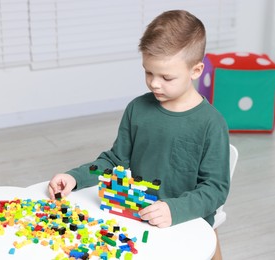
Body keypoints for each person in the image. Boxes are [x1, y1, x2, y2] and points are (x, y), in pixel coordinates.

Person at [48, 10, 230, 260]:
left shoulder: (211, 123)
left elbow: (215, 189)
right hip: (137, 216)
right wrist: (75, 177)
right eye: (148, 72)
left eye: (166, 77)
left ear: (196, 70)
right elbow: (113, 162)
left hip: (184, 221)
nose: (155, 83)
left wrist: (174, 209)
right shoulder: (138, 109)